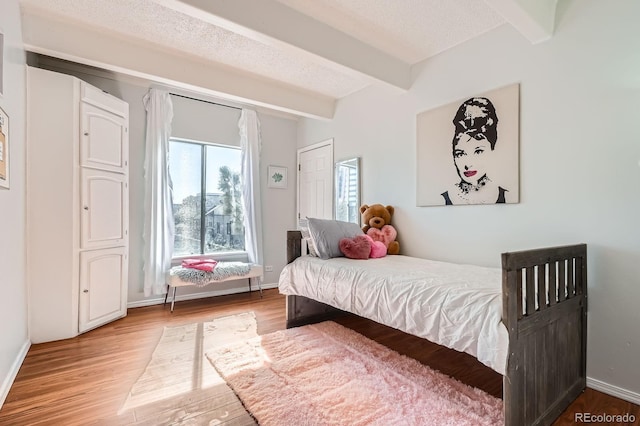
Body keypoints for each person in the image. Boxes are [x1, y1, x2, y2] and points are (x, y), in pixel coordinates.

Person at [441, 97, 508, 205]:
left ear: (492, 150)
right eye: (460, 154)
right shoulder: (443, 200)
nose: (468, 164)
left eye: (478, 152)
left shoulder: (507, 197)